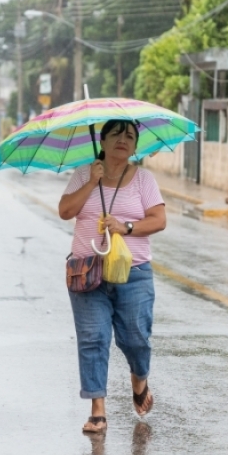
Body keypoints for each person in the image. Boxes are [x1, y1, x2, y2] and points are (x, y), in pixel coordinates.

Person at [58, 119, 166, 434]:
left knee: (135, 338)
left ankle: (139, 379)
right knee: (93, 339)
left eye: (130, 136)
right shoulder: (83, 174)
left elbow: (159, 220)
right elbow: (65, 211)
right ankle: (97, 411)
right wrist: (92, 182)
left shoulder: (144, 179)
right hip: (88, 271)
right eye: (116, 134)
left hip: (133, 273)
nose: (123, 140)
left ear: (135, 146)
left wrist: (126, 227)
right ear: (102, 142)